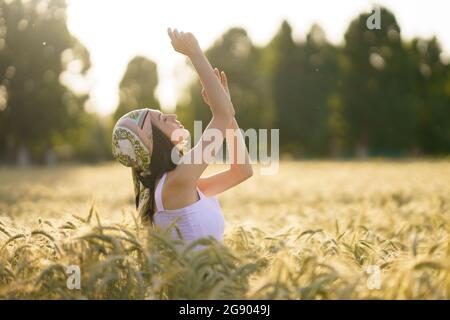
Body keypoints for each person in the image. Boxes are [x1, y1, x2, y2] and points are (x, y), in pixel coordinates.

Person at [111, 28, 253, 250]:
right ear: (151, 140)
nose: (172, 116)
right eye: (161, 118)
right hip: (204, 284)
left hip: (212, 281)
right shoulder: (177, 183)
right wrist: (194, 53)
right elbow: (221, 115)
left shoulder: (180, 183)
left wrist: (227, 109)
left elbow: (242, 171)